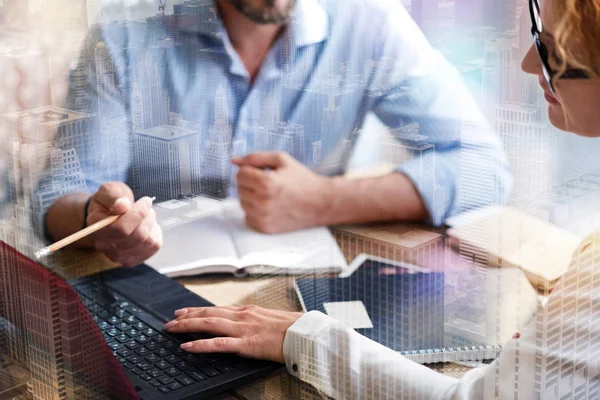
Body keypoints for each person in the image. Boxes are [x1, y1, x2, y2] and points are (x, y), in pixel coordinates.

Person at [162, 0, 600, 398]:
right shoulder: (134, 31)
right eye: (537, 40)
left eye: (553, 53)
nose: (528, 64)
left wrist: (303, 336)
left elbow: (483, 170)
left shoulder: (368, 23)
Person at [43, 0, 510, 267]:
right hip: (145, 293)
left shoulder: (370, 22)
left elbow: (483, 167)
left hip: (307, 298)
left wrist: (324, 199)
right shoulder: (125, 32)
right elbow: (58, 197)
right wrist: (97, 221)